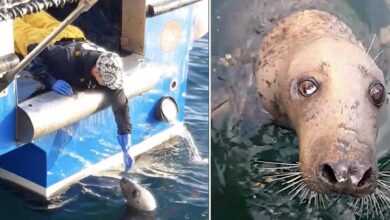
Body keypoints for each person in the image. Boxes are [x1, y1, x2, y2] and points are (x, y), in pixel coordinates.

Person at [13, 11, 134, 171]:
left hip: (69, 33)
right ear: (95, 72)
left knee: (38, 16)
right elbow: (35, 53)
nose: (109, 87)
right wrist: (51, 80)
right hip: (47, 44)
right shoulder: (66, 59)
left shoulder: (110, 72)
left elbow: (120, 102)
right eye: (106, 82)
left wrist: (125, 135)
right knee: (16, 28)